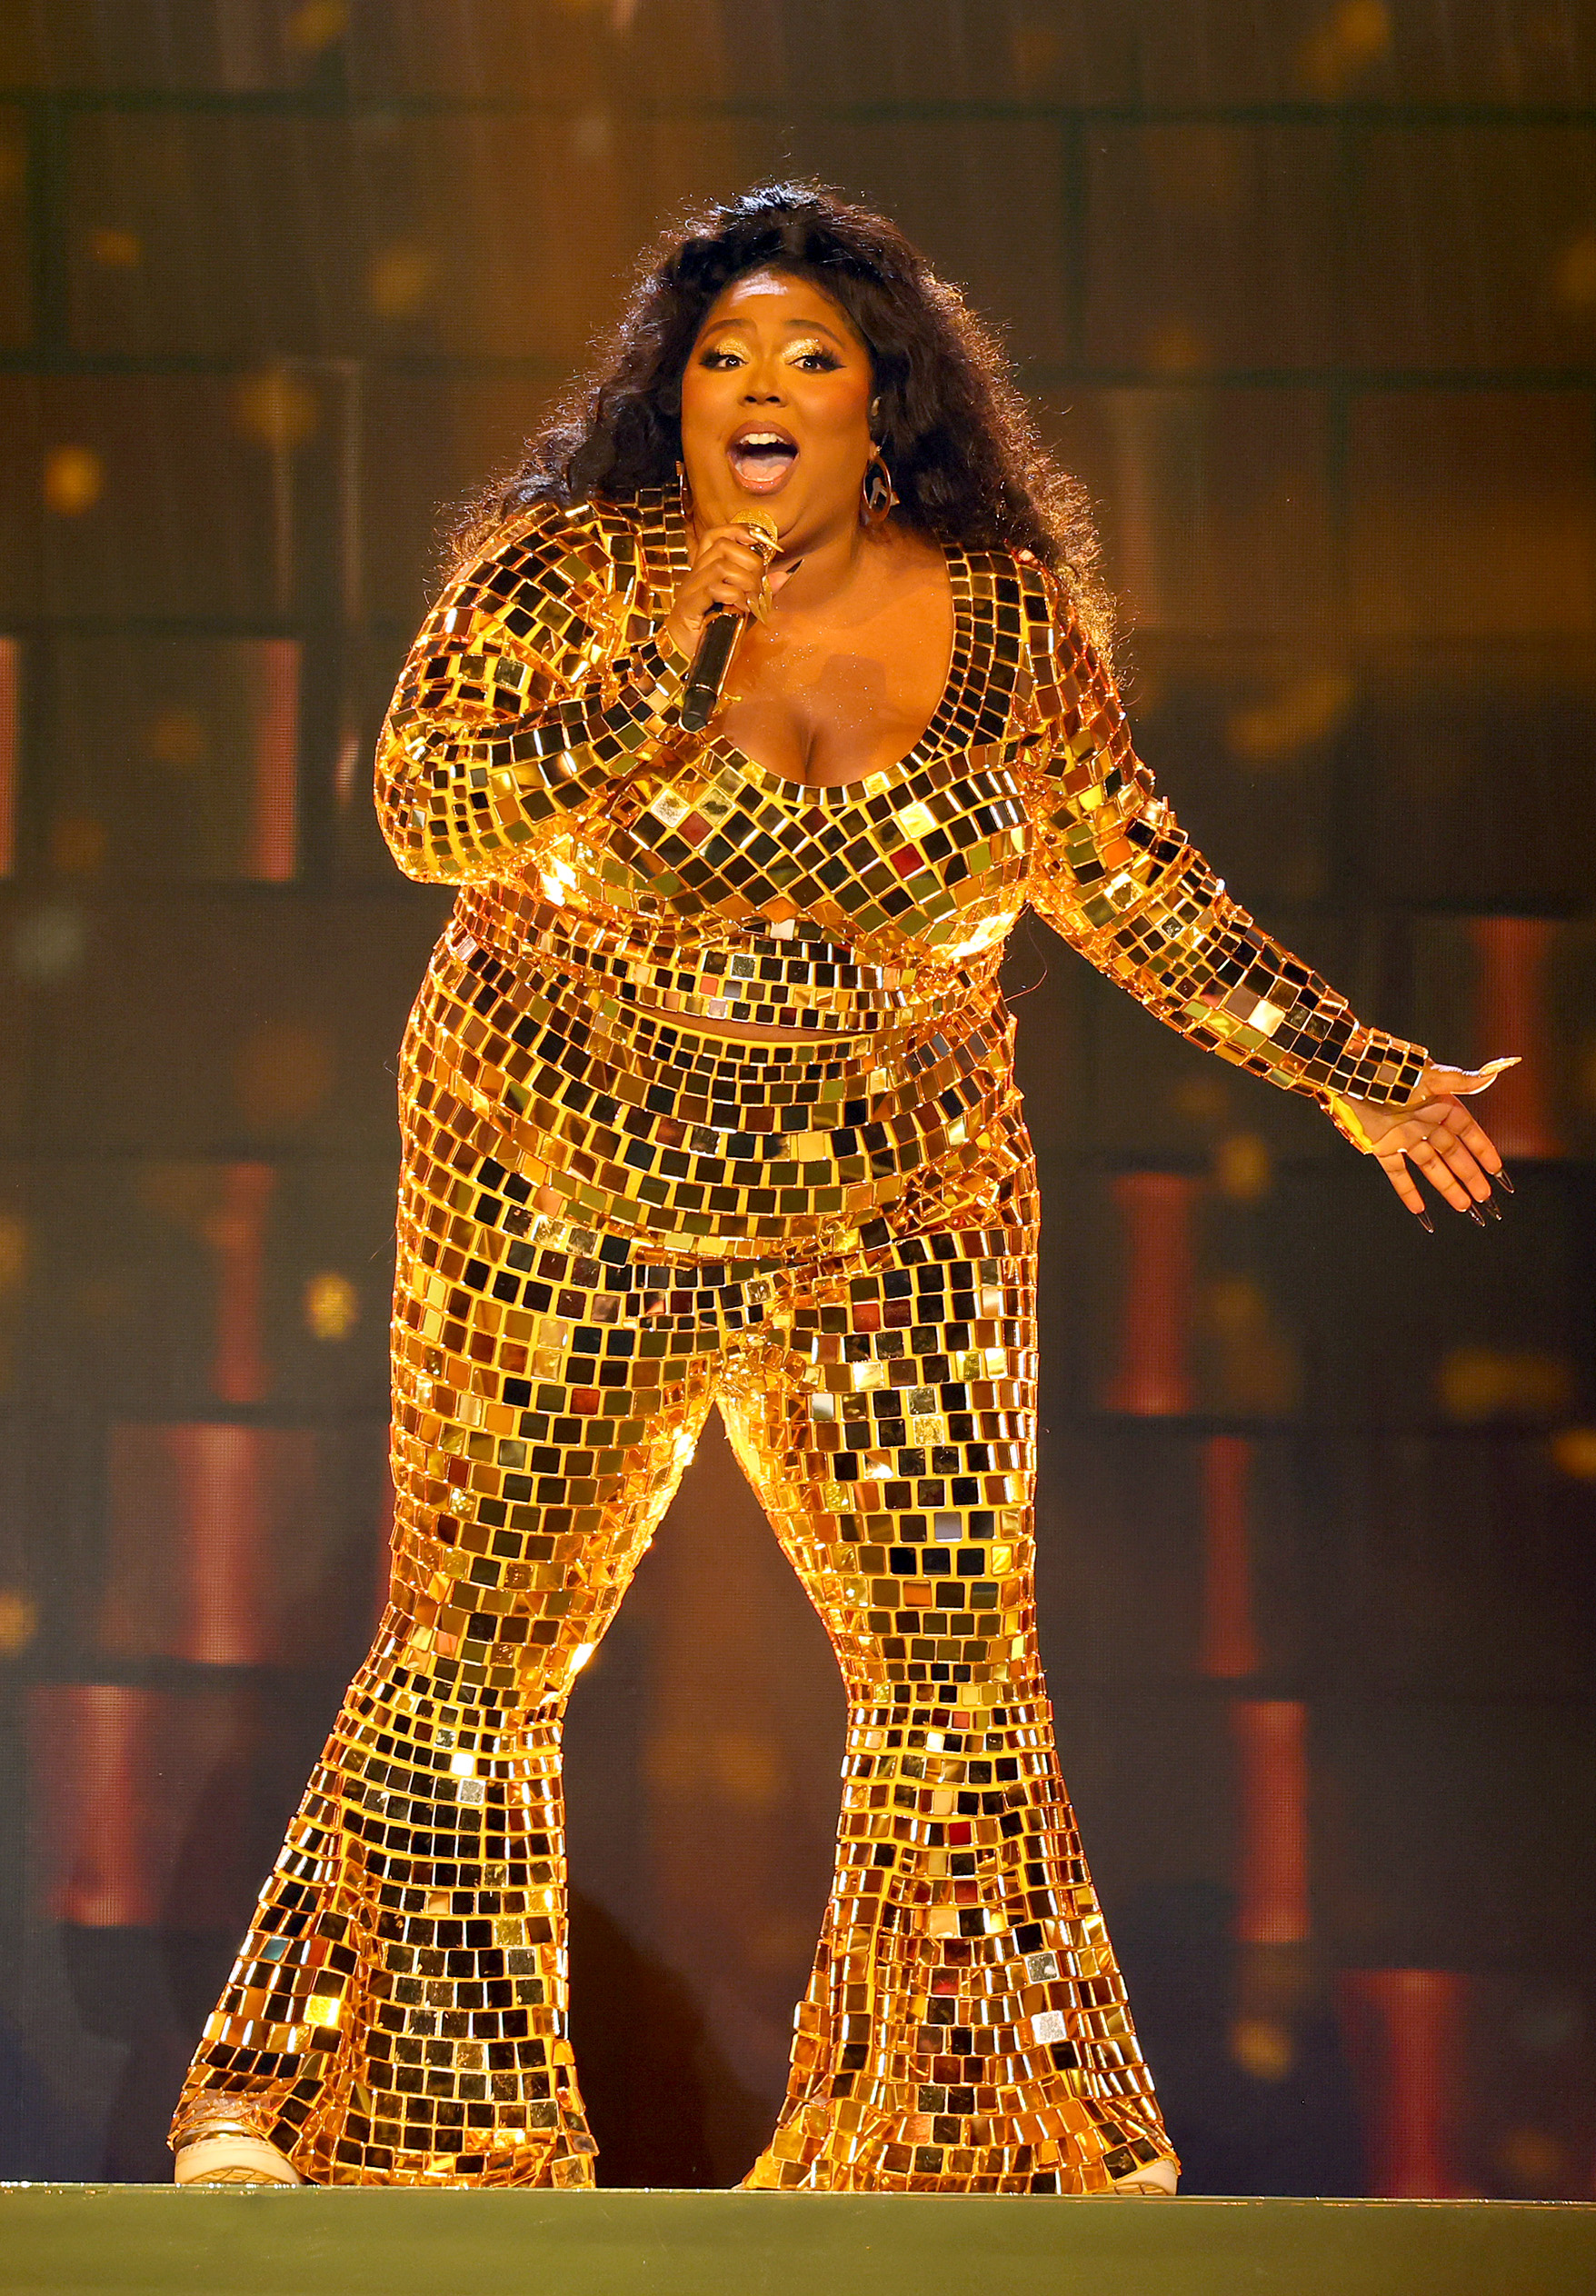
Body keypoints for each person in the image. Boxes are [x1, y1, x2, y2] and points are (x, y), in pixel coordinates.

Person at [171, 183, 1509, 2193]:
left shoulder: (1008, 620)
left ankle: (974, 2137)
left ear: (883, 400)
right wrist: (672, 663)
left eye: (811, 356)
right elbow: (425, 809)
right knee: (473, 1648)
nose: (764, 387)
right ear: (674, 397)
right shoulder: (566, 577)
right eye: (725, 358)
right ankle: (361, 2119)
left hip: (898, 1201)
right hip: (557, 1176)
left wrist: (1356, 1071)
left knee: (949, 1655)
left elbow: (1136, 885)